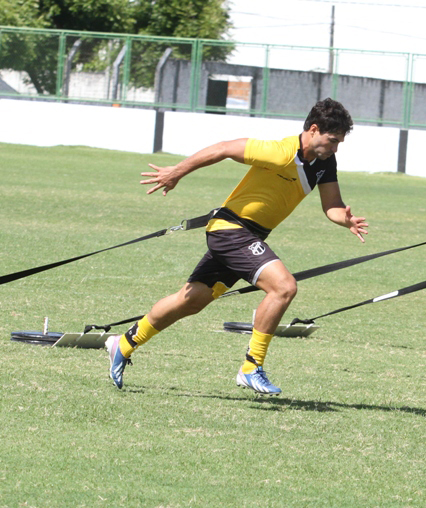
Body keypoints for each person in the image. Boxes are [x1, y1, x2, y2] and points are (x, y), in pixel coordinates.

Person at [107, 98, 368, 394]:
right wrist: (177, 171)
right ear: (313, 129)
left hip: (249, 236)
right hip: (231, 230)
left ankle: (124, 343)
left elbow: (332, 204)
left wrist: (343, 219)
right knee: (284, 287)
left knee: (192, 300)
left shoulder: (325, 162)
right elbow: (223, 148)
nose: (335, 148)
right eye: (332, 140)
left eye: (339, 143)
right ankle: (251, 366)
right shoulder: (280, 152)